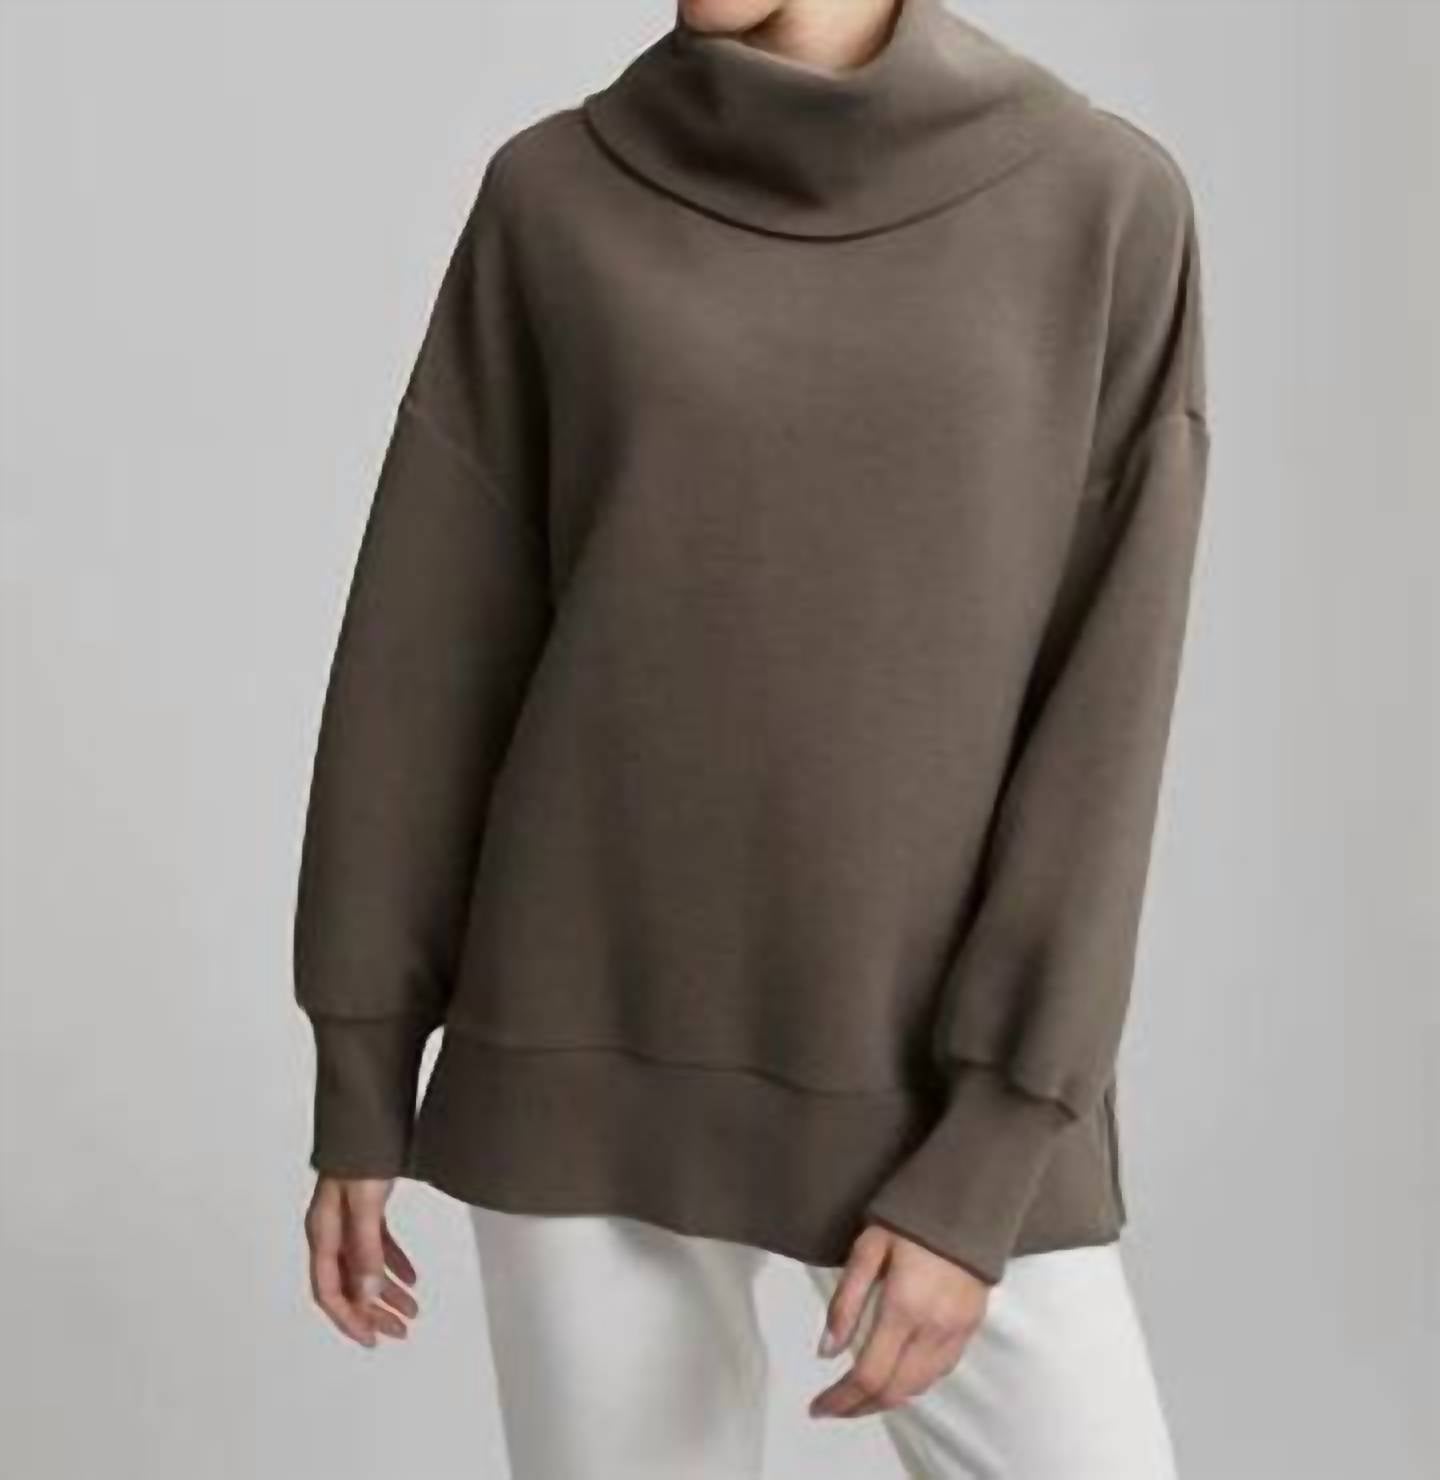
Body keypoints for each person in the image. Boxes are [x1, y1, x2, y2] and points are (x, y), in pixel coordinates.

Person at [293, 0, 1210, 1473]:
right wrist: (361, 1068)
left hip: (932, 1079)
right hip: (580, 1046)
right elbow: (430, 645)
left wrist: (993, 1143)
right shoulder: (555, 196)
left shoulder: (1099, 202)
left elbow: (1107, 703)